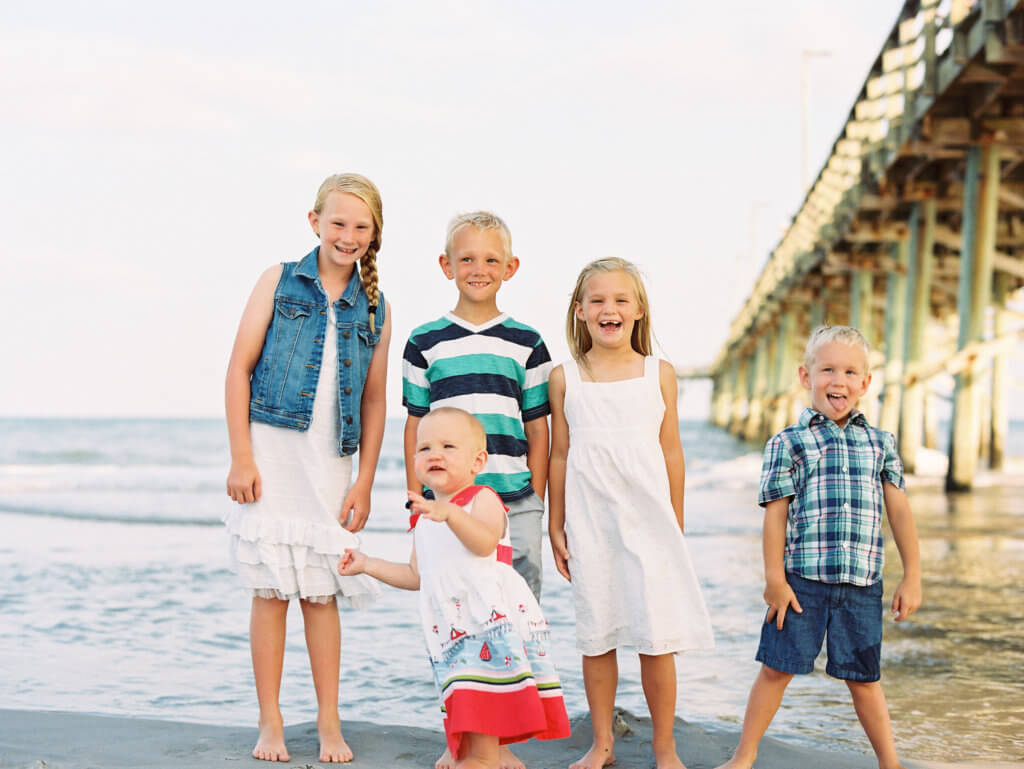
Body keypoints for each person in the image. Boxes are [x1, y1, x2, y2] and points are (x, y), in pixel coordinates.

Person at [223, 173, 392, 763]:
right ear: (314, 221)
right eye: (338, 222)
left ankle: (328, 721)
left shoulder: (375, 306)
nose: (347, 236)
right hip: (271, 453)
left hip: (329, 463)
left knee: (322, 594)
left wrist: (366, 479)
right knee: (270, 592)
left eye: (360, 227)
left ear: (374, 235)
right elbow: (239, 368)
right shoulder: (278, 280)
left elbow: (375, 399)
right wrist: (242, 456)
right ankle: (271, 722)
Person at [714, 325, 922, 769]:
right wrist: (774, 580)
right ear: (805, 377)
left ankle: (891, 762)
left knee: (864, 679)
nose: (838, 381)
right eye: (827, 369)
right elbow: (775, 514)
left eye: (850, 372)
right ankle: (743, 755)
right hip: (802, 583)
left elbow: (900, 512)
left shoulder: (880, 443)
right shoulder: (789, 442)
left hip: (862, 584)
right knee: (776, 668)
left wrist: (913, 575)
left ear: (865, 383)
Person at [548, 257, 715, 769]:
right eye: (596, 300)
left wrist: (676, 522)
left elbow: (671, 452)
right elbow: (559, 453)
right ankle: (601, 743)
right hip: (590, 520)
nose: (609, 309)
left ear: (639, 311)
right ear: (579, 312)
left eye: (621, 299)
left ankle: (664, 746)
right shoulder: (564, 378)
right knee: (597, 633)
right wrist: (557, 525)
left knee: (654, 635)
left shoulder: (659, 374)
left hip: (649, 521)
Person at [338, 407, 571, 769]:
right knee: (462, 694)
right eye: (424, 447)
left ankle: (481, 758)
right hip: (451, 628)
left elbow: (485, 542)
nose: (435, 454)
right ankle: (472, 752)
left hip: (487, 624)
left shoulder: (482, 499)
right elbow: (418, 575)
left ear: (478, 461)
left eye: (448, 446)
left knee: (482, 695)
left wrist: (452, 514)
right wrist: (368, 564)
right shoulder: (426, 515)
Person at [402, 211, 552, 769]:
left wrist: (539, 499)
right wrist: (418, 504)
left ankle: (501, 745)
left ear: (511, 268)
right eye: (466, 258)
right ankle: (461, 741)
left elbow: (539, 428)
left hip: (512, 504)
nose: (478, 269)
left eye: (491, 259)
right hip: (444, 509)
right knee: (453, 620)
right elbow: (415, 430)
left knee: (511, 622)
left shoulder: (527, 342)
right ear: (446, 265)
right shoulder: (424, 342)